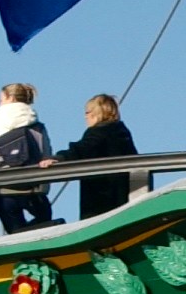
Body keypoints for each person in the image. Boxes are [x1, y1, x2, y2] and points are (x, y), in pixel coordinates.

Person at [0, 82, 55, 232]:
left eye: (1, 99)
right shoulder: (37, 126)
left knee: (15, 236)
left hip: (3, 191)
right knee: (45, 229)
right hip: (33, 191)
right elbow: (46, 155)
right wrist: (43, 189)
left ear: (9, 98)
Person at [57, 92, 140, 220]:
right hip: (123, 199)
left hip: (101, 201)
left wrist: (60, 158)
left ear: (97, 113)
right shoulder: (121, 132)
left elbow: (83, 150)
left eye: (87, 112)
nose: (85, 117)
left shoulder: (98, 132)